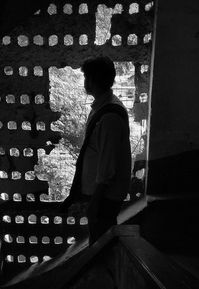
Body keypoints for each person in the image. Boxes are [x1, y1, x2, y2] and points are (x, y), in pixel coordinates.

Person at [60, 56, 132, 244]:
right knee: (100, 239)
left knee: (101, 243)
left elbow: (107, 166)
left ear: (91, 80)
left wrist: (95, 203)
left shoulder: (109, 117)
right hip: (103, 194)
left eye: (86, 77)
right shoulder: (104, 106)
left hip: (105, 196)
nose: (85, 82)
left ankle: (104, 272)